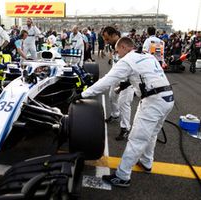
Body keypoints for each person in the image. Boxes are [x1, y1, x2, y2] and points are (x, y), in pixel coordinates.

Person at [74, 37, 174, 187]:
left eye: (117, 50)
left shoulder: (127, 60)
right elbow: (144, 75)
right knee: (152, 134)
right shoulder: (146, 55)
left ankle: (123, 176)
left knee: (136, 139)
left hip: (153, 102)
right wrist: (124, 85)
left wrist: (83, 94)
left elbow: (106, 81)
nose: (117, 54)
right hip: (167, 98)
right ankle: (147, 162)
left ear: (123, 47)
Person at [102, 26, 135, 140]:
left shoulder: (126, 44)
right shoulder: (112, 46)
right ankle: (115, 114)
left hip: (127, 80)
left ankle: (125, 128)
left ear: (114, 35)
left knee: (124, 103)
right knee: (112, 97)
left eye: (107, 38)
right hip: (116, 77)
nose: (106, 41)